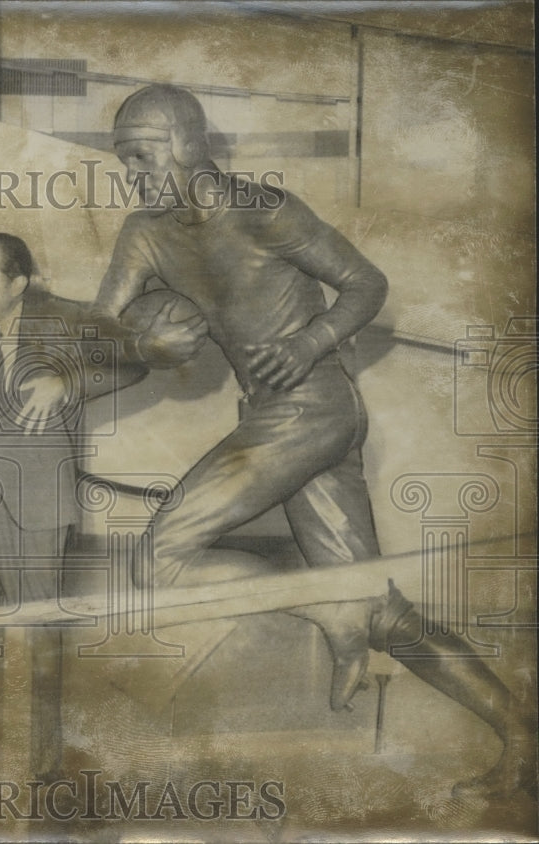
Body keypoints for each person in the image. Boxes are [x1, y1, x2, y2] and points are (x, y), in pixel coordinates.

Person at [93, 83, 534, 799]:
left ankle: (332, 608)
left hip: (316, 404)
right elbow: (100, 333)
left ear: (183, 142)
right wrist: (135, 347)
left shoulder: (265, 211)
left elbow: (366, 283)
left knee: (160, 559)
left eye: (141, 155)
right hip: (279, 418)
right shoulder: (145, 233)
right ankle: (523, 741)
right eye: (125, 161)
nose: (133, 174)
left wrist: (309, 343)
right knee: (384, 613)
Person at [0, 233, 145, 782]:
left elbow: (135, 362)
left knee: (39, 635)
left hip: (35, 497)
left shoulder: (61, 323)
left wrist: (67, 381)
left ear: (18, 284)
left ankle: (43, 768)